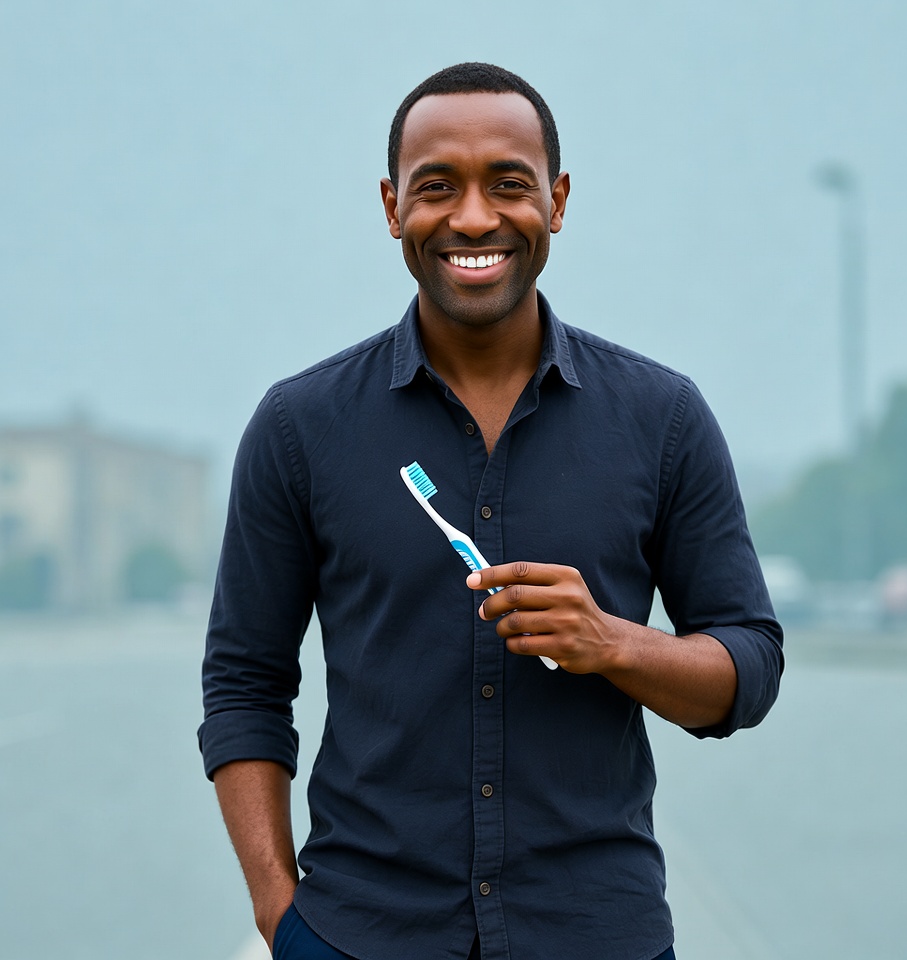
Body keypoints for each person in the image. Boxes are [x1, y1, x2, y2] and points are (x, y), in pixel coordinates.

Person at [200, 62, 783, 960]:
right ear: (393, 208)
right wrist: (283, 919)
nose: (473, 218)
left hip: (599, 935)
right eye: (437, 187)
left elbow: (749, 667)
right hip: (360, 935)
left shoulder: (662, 419)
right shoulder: (298, 427)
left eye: (508, 184)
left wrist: (613, 643)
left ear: (556, 201)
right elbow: (244, 684)